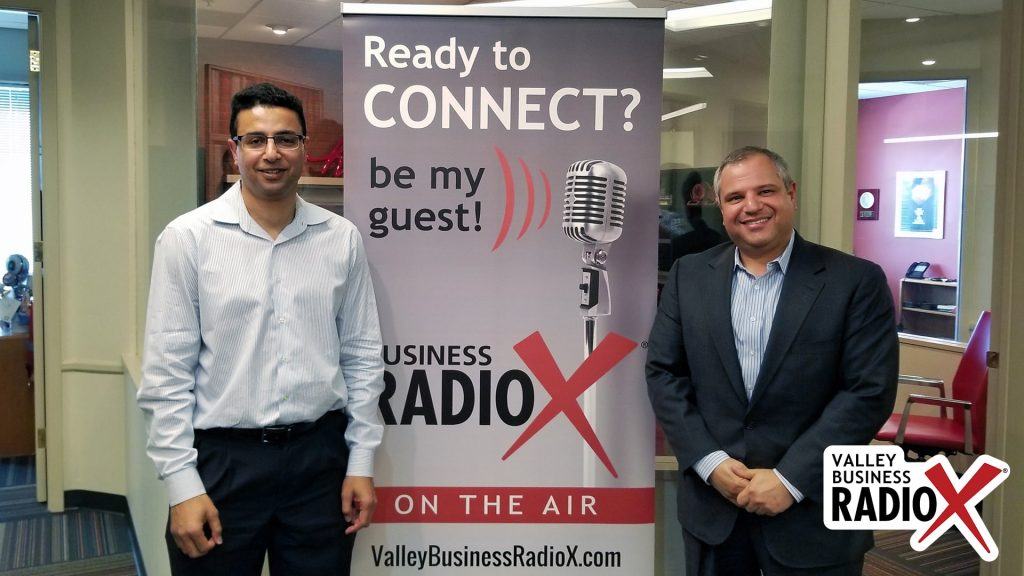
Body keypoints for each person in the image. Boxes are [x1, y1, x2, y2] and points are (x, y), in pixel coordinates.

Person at [138, 82, 384, 575]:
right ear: (236, 150)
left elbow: (361, 355)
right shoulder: (188, 239)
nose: (271, 153)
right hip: (223, 465)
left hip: (319, 463)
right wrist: (181, 485)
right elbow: (167, 373)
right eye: (255, 140)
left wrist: (360, 461)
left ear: (304, 149)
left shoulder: (341, 239)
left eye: (286, 139)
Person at [646, 146, 898, 575]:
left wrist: (791, 479)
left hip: (813, 515)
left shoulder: (856, 281)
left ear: (791, 193)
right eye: (735, 197)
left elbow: (868, 391)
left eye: (765, 191)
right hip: (715, 512)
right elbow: (664, 372)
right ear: (721, 207)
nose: (752, 206)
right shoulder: (689, 275)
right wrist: (709, 462)